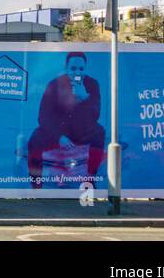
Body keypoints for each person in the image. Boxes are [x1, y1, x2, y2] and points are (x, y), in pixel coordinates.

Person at [26, 52, 106, 187]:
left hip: (82, 130)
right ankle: (36, 183)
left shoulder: (92, 84)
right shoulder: (54, 84)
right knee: (34, 140)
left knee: (100, 132)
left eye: (81, 69)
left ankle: (90, 178)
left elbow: (95, 115)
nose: (77, 73)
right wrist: (58, 137)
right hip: (58, 131)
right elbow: (43, 116)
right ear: (66, 68)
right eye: (73, 69)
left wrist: (85, 98)